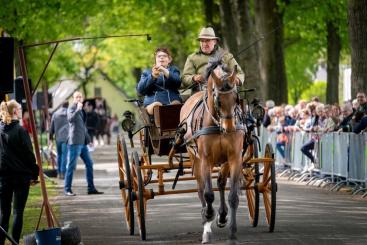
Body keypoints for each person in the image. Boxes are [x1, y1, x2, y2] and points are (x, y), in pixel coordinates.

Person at [0, 100, 39, 244]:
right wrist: (35, 173)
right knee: (17, 212)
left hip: (3, 177)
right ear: (15, 112)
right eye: (20, 108)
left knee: (3, 214)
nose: (22, 110)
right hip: (20, 177)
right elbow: (29, 155)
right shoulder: (21, 130)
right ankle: (15, 241)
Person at [181, 27, 245, 95]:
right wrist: (194, 78)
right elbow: (185, 78)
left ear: (215, 41)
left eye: (207, 40)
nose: (204, 44)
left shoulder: (226, 56)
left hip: (225, 91)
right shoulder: (192, 58)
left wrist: (235, 80)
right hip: (201, 93)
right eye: (202, 41)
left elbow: (240, 73)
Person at [64, 91, 103, 196]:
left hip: (83, 142)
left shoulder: (81, 110)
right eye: (76, 97)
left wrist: (89, 140)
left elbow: (82, 127)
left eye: (80, 97)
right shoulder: (72, 108)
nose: (78, 99)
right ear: (73, 98)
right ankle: (67, 189)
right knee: (71, 166)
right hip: (74, 142)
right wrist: (77, 109)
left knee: (89, 164)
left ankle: (91, 188)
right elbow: (70, 119)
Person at [136, 47, 182, 115]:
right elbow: (140, 90)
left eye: (164, 56)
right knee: (157, 106)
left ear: (169, 60)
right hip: (153, 103)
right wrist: (152, 77)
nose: (161, 58)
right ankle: (160, 125)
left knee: (176, 104)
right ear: (155, 59)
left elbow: (178, 82)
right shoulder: (147, 72)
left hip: (172, 102)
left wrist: (165, 71)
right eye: (159, 56)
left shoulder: (174, 70)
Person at [49, 101, 69, 179]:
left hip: (58, 138)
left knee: (59, 155)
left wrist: (51, 137)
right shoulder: (69, 114)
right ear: (68, 106)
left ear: (61, 105)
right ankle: (63, 172)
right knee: (64, 155)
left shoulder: (55, 114)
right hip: (66, 138)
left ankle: (59, 172)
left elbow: (52, 127)